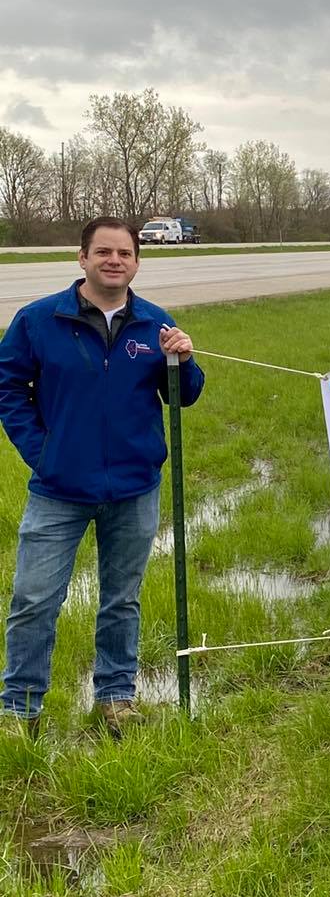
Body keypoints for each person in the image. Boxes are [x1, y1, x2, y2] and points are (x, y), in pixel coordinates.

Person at [0, 216, 205, 737]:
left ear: (137, 261)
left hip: (134, 489)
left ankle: (115, 697)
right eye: (103, 252)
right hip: (59, 491)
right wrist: (42, 453)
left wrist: (183, 360)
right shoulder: (39, 320)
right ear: (82, 258)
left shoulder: (154, 323)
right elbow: (9, 389)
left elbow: (181, 396)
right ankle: (20, 709)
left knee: (122, 599)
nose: (114, 261)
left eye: (125, 254)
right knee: (34, 600)